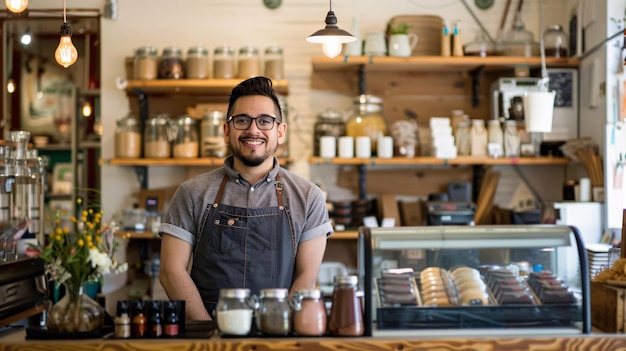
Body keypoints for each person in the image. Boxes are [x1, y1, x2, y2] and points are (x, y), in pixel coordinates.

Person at [158, 76, 333, 320]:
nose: (253, 130)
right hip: (210, 336)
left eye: (264, 121)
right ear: (226, 130)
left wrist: (280, 329)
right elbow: (170, 271)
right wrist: (209, 333)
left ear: (280, 131)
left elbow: (306, 277)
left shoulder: (307, 196)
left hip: (277, 334)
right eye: (242, 121)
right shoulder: (192, 193)